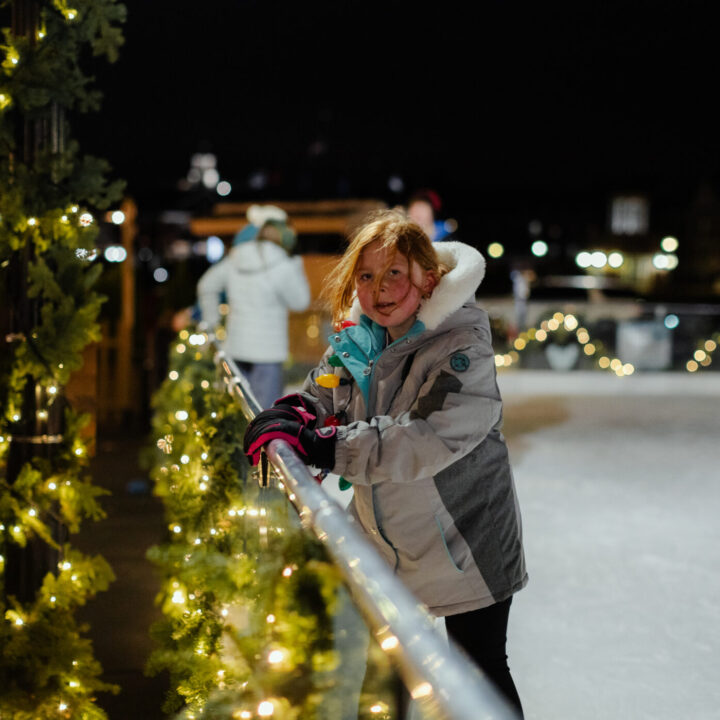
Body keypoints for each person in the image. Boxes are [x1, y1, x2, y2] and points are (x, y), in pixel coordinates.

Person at [243, 210, 527, 716]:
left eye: (396, 272)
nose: (380, 289)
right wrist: (293, 414)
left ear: (429, 276)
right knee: (384, 676)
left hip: (467, 539)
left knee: (476, 672)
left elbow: (427, 436)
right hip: (389, 540)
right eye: (368, 276)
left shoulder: (462, 345)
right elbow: (323, 394)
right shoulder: (361, 339)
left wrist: (326, 448)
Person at [197, 207, 311, 409]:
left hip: (236, 347)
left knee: (237, 413)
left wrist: (211, 322)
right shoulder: (283, 264)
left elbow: (206, 285)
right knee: (263, 420)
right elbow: (300, 302)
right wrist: (296, 266)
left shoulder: (236, 257)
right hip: (268, 353)